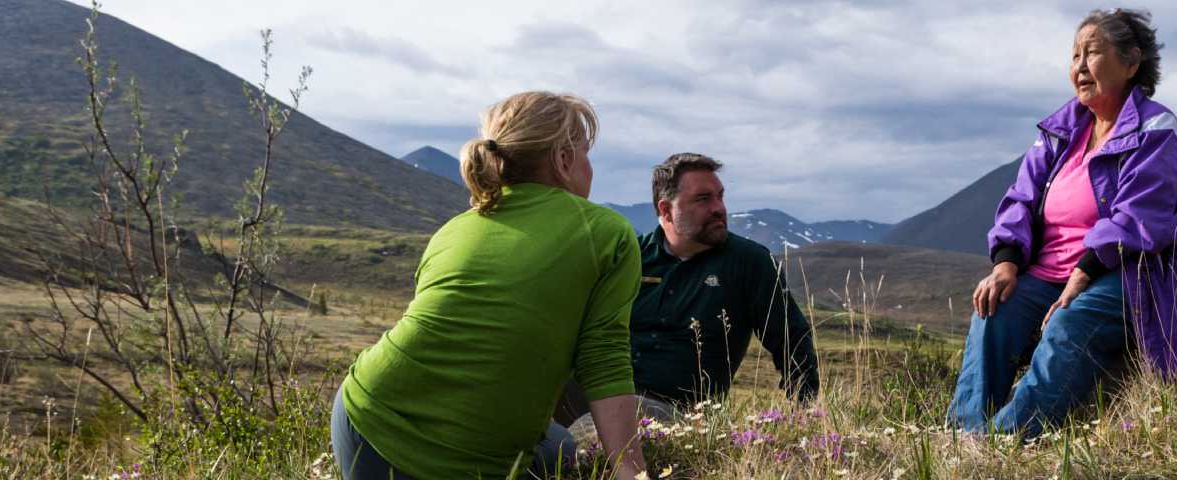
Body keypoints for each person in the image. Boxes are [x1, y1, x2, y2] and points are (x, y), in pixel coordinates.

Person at [948, 8, 1177, 438]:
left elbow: (1142, 218)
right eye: (1074, 56)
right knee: (993, 311)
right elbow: (1021, 198)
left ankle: (1006, 441)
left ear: (1130, 63)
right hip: (1049, 271)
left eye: (1092, 53)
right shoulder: (1060, 132)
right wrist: (1006, 263)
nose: (1079, 66)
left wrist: (1084, 273)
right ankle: (965, 438)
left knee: (1070, 322)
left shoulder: (1156, 129)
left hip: (1128, 275)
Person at [332, 92, 646, 480]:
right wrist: (629, 470)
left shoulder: (454, 228)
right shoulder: (606, 232)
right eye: (585, 152)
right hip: (466, 458)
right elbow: (604, 356)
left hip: (366, 418)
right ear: (563, 160)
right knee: (559, 450)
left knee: (557, 445)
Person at [627, 153, 820, 406]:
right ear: (666, 210)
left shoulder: (750, 263)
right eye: (703, 199)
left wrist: (804, 412)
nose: (718, 208)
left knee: (597, 432)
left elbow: (792, 340)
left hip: (675, 413)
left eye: (720, 196)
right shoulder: (631, 258)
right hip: (601, 396)